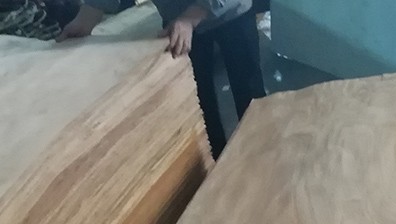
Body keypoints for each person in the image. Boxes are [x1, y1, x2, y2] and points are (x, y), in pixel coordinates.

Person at [58, 0, 266, 159]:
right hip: (177, 18)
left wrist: (189, 18)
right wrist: (85, 20)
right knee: (199, 104)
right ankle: (215, 167)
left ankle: (264, 155)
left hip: (231, 12)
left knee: (249, 94)